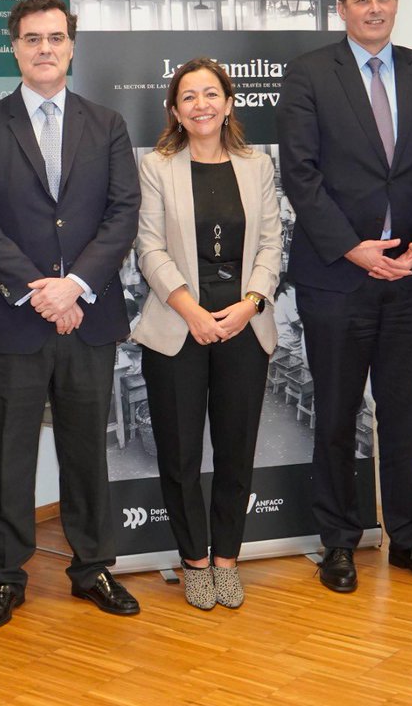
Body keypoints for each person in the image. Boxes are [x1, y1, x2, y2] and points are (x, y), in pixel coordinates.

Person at [0, 0, 142, 629]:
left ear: (71, 45)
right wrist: (39, 289)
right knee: (6, 454)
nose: (44, 49)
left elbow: (122, 214)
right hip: (11, 320)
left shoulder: (107, 124)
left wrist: (76, 285)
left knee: (88, 450)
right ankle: (4, 577)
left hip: (89, 317)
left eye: (55, 38)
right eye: (31, 38)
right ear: (14, 47)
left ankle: (93, 567)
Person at [276, 0, 412, 593]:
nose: (375, 8)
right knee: (334, 413)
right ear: (342, 8)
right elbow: (300, 174)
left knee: (407, 415)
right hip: (337, 278)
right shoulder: (308, 76)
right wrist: (353, 249)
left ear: (396, 2)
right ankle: (337, 542)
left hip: (409, 277)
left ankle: (410, 539)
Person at [132, 58, 282, 610]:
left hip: (244, 324)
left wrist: (249, 304)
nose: (201, 104)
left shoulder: (257, 167)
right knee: (180, 453)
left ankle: (227, 561)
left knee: (237, 451)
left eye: (211, 93)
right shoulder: (156, 167)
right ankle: (195, 560)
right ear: (174, 109)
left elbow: (271, 244)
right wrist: (191, 310)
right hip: (178, 327)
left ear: (229, 102)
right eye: (189, 96)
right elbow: (148, 247)